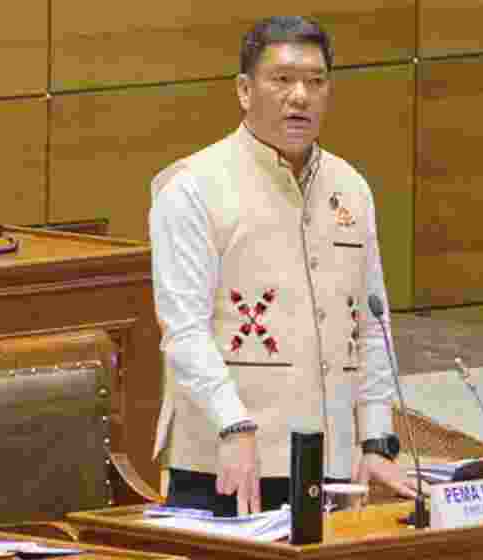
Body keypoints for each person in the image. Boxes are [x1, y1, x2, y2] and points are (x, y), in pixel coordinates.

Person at [150, 16, 419, 517]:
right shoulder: (190, 188)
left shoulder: (351, 188)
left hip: (331, 468)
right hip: (227, 465)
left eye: (316, 82)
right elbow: (183, 330)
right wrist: (233, 425)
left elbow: (370, 323)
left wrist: (377, 440)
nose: (301, 96)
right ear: (245, 90)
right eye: (283, 80)